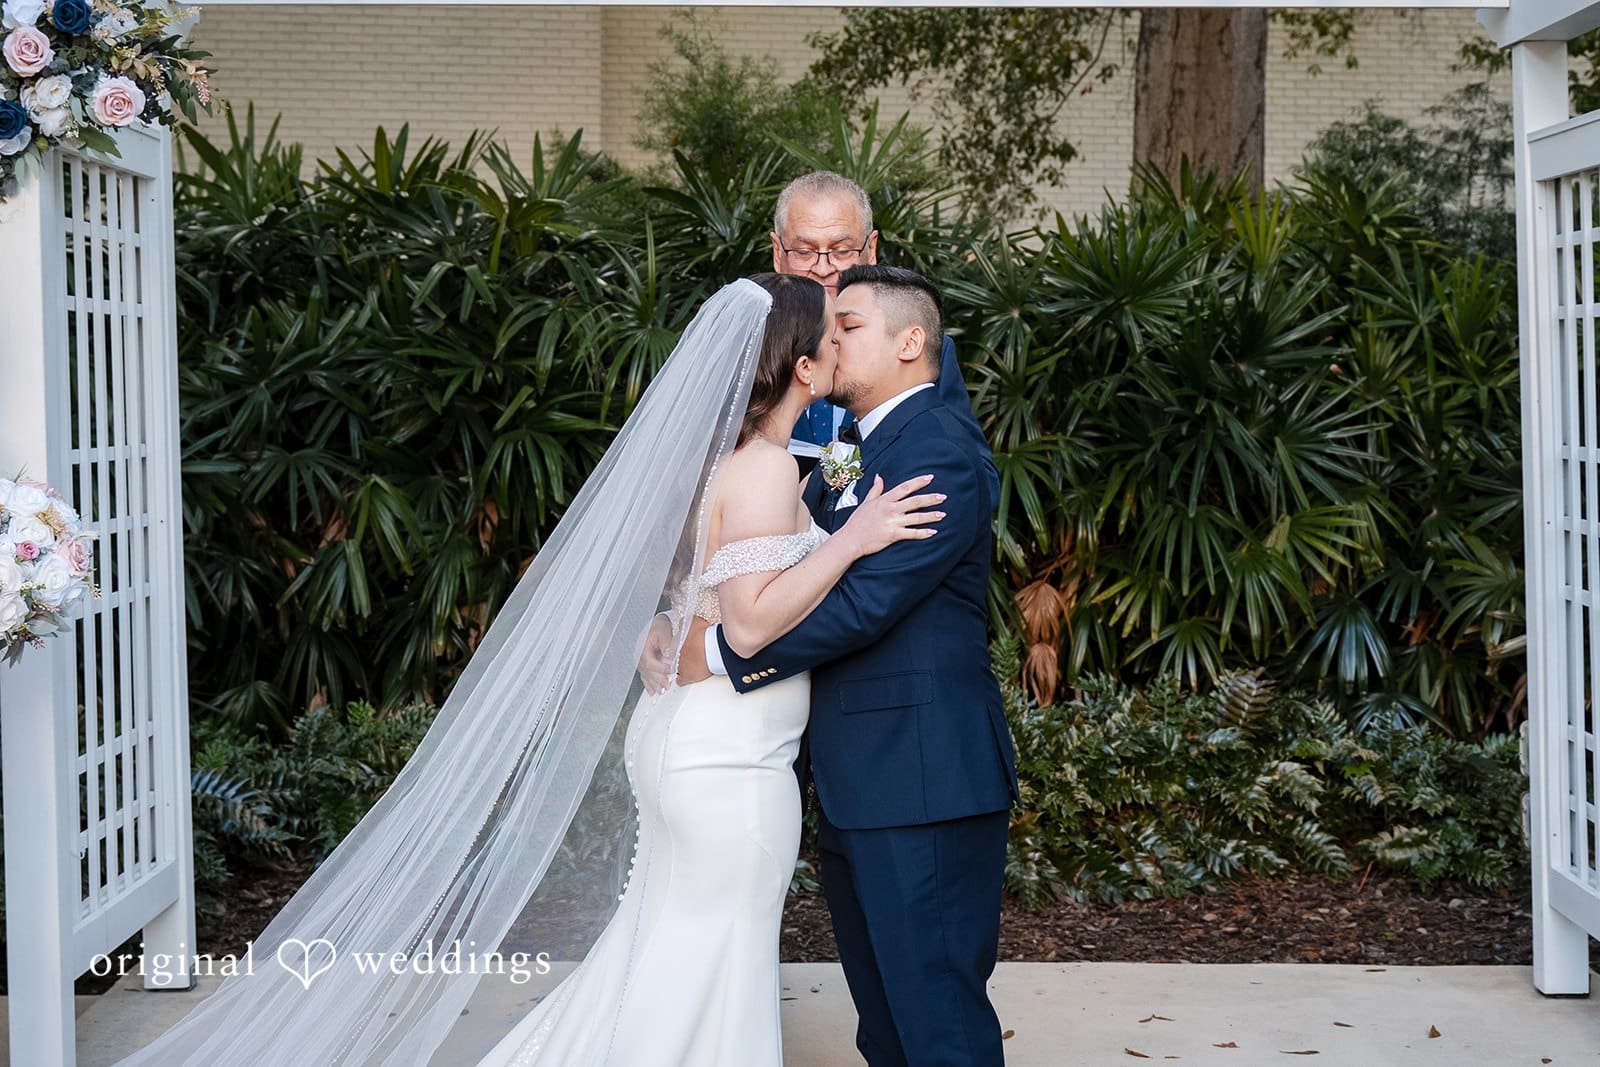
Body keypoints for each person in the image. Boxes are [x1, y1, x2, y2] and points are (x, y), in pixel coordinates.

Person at [110, 274, 945, 1067]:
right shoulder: (764, 467)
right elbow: (754, 621)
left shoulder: (730, 462)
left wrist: (666, 622)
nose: (842, 345)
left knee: (668, 944)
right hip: (725, 755)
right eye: (831, 336)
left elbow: (697, 591)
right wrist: (852, 538)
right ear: (801, 366)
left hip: (696, 738)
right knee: (713, 951)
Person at [679, 264, 1020, 1067]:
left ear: (911, 342)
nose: (829, 341)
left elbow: (864, 605)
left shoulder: (939, 451)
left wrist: (728, 652)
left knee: (936, 1017)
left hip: (921, 779)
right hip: (857, 780)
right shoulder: (855, 446)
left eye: (850, 327)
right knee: (887, 1023)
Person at [773, 171, 998, 507]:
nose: (823, 268)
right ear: (778, 253)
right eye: (804, 251)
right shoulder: (750, 348)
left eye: (841, 249)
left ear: (871, 249)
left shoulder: (915, 350)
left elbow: (979, 481)